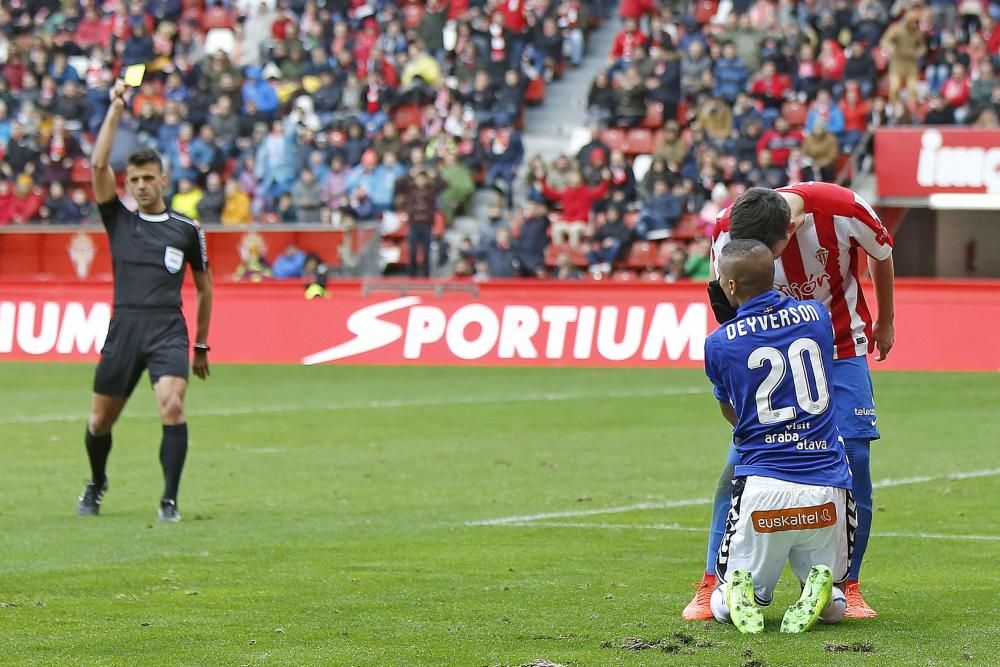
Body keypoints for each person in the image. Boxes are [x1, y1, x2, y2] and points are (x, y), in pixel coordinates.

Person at [683, 184, 894, 621]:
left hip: (840, 346)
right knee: (738, 461)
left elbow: (882, 252)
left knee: (855, 458)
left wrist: (886, 320)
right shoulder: (728, 227)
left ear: (791, 229)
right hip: (768, 350)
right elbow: (725, 296)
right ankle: (712, 582)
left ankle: (846, 584)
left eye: (771, 252)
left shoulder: (843, 206)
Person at [77, 79, 213, 523]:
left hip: (167, 327)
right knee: (99, 422)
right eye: (132, 179)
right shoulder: (118, 219)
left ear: (163, 179)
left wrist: (202, 343)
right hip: (125, 327)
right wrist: (116, 107)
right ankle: (97, 481)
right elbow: (98, 165)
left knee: (172, 404)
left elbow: (205, 287)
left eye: (146, 178)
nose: (139, 186)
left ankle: (169, 500)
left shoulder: (186, 229)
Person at [705, 239, 853, 634]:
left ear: (730, 286)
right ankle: (825, 591)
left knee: (722, 603)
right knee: (836, 605)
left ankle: (735, 593)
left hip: (763, 487)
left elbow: (731, 412)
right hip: (826, 487)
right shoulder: (816, 314)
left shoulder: (719, 344)